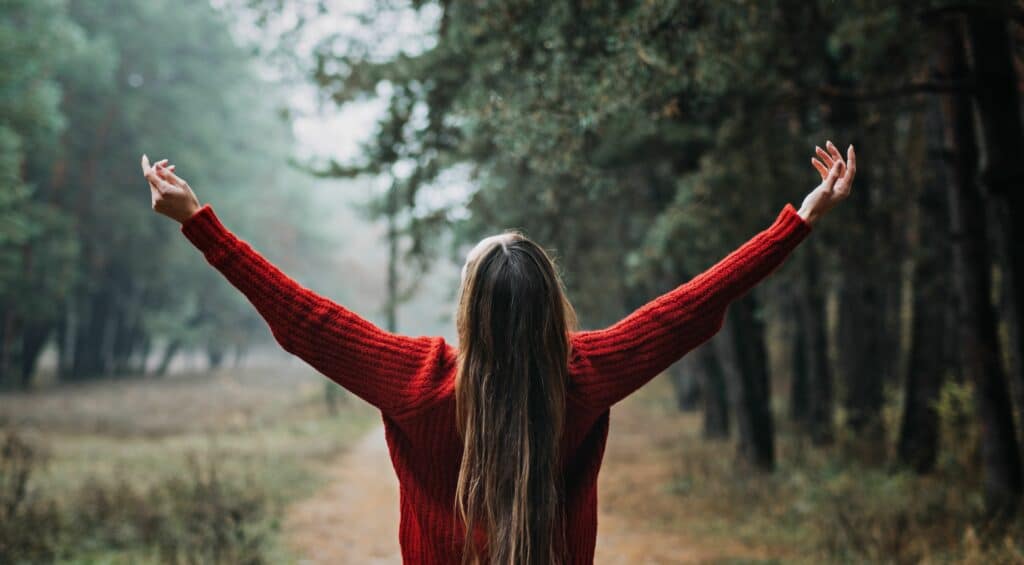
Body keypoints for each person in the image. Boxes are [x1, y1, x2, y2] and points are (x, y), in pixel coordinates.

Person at [139, 140, 855, 565]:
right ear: (551, 309)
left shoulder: (417, 382)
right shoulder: (583, 373)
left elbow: (303, 318)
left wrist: (201, 223)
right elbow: (693, 307)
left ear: (469, 311)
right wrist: (798, 222)